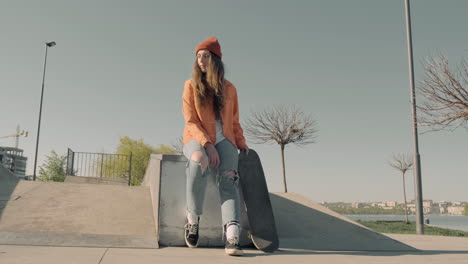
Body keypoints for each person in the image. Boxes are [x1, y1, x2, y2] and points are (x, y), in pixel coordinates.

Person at [181, 37, 249, 256]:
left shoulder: (230, 89)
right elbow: (190, 121)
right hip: (195, 138)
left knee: (229, 176)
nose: (201, 60)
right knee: (198, 160)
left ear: (216, 59)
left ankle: (232, 234)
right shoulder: (190, 85)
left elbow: (235, 121)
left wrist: (240, 143)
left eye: (206, 56)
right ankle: (192, 219)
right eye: (198, 56)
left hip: (224, 139)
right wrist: (207, 145)